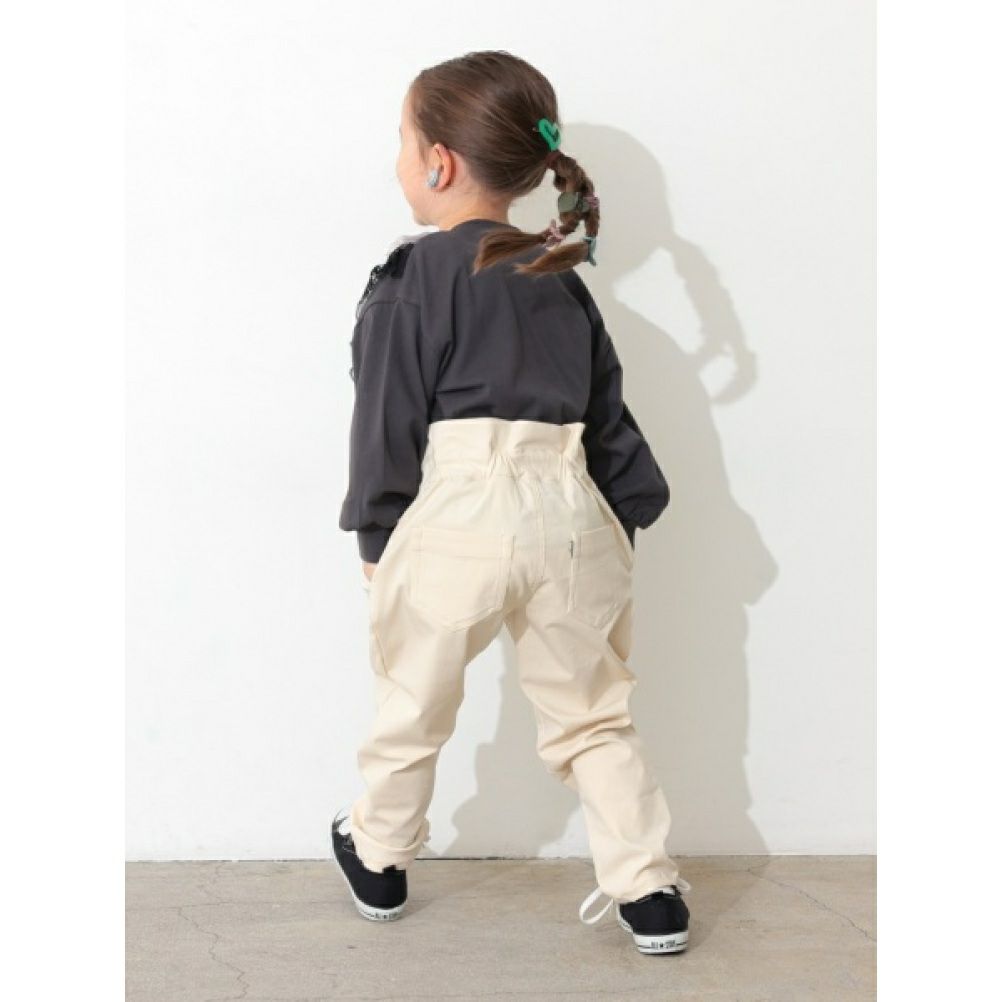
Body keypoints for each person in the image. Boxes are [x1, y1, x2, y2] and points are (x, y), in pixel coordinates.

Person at [330, 50, 691, 956]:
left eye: (402, 141)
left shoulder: (415, 277)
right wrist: (622, 524)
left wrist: (377, 532)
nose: (397, 160)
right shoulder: (559, 275)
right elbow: (607, 417)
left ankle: (379, 854)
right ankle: (650, 892)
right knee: (593, 714)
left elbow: (386, 416)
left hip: (461, 513)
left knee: (415, 698)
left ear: (439, 162)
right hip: (573, 515)